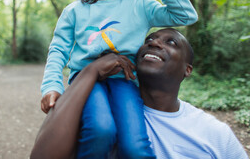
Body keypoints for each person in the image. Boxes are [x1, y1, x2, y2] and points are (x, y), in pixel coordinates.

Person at [41, 0, 198, 158]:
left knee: (135, 146)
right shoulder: (75, 10)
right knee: (100, 129)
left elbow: (185, 16)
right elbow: (58, 50)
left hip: (125, 81)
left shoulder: (140, 5)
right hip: (86, 80)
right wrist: (51, 85)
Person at [31, 28, 249, 159]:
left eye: (171, 42)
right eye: (149, 40)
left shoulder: (216, 134)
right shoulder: (99, 112)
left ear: (187, 69)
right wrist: (91, 70)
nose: (154, 42)